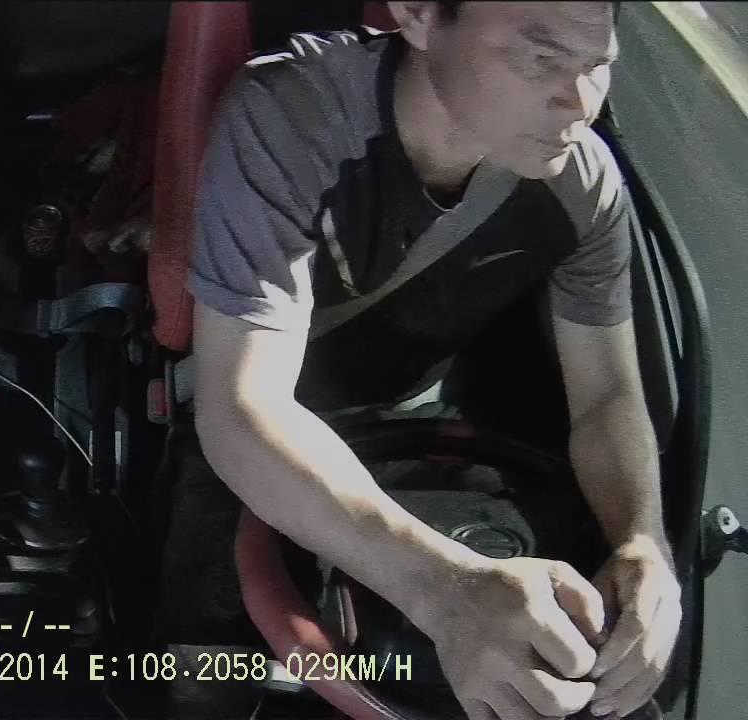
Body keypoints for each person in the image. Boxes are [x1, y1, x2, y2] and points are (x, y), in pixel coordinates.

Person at [171, 2, 680, 719]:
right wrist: (447, 591)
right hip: (252, 432)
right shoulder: (294, 116)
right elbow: (241, 408)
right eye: (541, 59)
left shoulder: (583, 186)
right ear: (416, 12)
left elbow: (608, 400)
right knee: (203, 678)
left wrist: (642, 543)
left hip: (410, 425)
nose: (580, 103)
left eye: (597, 66)